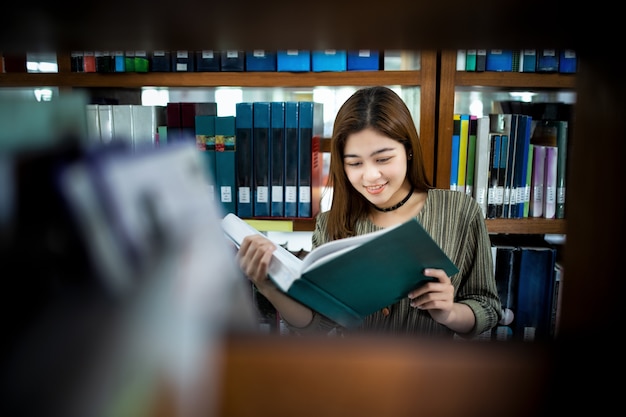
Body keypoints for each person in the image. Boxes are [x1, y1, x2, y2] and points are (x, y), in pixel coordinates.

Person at [236, 86, 501, 338]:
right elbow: (315, 325)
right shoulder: (331, 223)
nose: (370, 176)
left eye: (383, 159)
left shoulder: (459, 212)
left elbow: (487, 308)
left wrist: (450, 312)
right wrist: (267, 284)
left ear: (408, 150)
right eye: (354, 163)